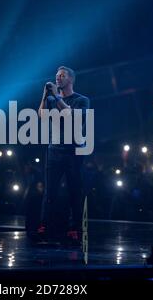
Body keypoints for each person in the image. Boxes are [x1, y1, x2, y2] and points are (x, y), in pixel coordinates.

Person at [37, 66, 90, 245]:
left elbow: (71, 116)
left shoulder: (82, 100)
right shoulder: (52, 99)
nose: (58, 78)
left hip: (73, 152)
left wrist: (57, 97)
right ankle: (44, 227)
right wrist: (45, 95)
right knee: (49, 192)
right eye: (56, 76)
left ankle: (75, 229)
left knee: (74, 191)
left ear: (71, 79)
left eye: (62, 76)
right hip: (54, 151)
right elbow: (42, 116)